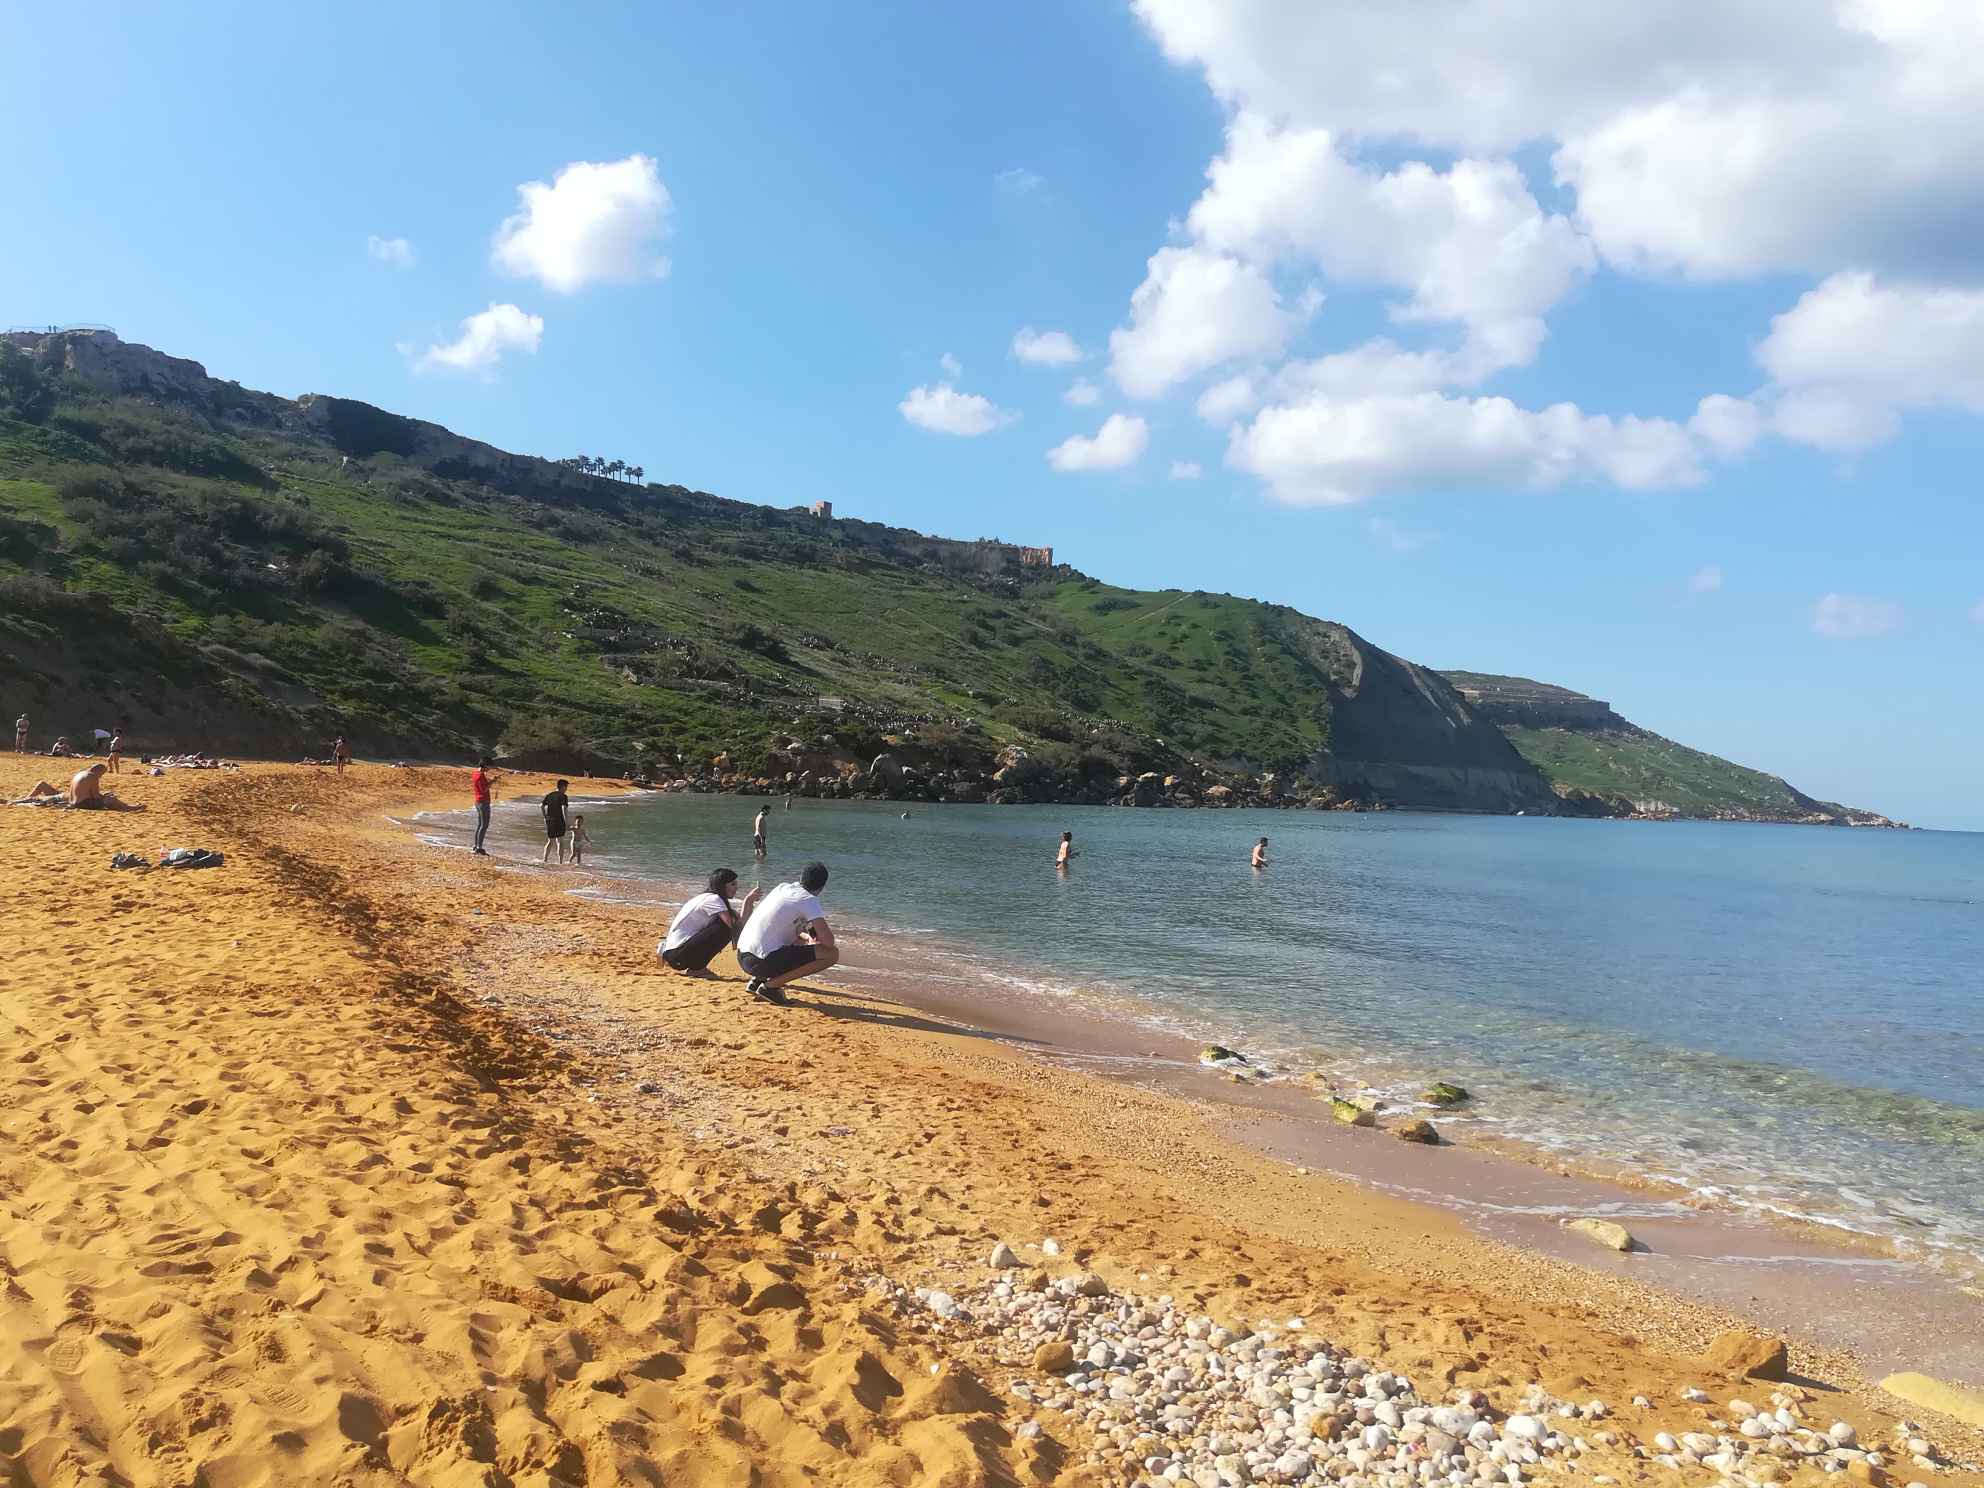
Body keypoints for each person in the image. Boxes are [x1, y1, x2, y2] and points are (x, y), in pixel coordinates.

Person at [734, 861, 837, 1005]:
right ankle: (771, 987)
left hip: (743, 955)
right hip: (760, 962)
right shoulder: (809, 899)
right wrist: (813, 941)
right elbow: (829, 942)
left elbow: (780, 926)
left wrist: (807, 937)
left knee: (795, 939)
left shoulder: (782, 888)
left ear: (801, 878)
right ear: (822, 886)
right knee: (831, 954)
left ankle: (758, 980)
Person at [658, 869, 762, 975]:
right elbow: (735, 927)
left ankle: (696, 966)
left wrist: (749, 902)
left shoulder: (709, 898)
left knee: (728, 922)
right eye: (732, 884)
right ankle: (697, 968)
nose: (736, 888)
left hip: (677, 953)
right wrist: (747, 900)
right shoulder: (713, 899)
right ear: (722, 885)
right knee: (725, 928)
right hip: (677, 955)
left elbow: (740, 923)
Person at [63, 763, 145, 812]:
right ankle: (130, 808)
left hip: (73, 802)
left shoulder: (80, 773)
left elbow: (87, 792)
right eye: (101, 774)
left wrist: (103, 795)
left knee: (107, 797)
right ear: (98, 771)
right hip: (83, 804)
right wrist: (106, 797)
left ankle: (128, 806)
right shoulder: (92, 776)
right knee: (111, 800)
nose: (100, 776)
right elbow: (95, 796)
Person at [470, 756, 498, 855]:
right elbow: (484, 789)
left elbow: (482, 786)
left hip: (478, 801)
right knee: (484, 825)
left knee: (480, 825)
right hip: (483, 802)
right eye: (489, 767)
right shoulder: (480, 775)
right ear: (485, 765)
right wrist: (492, 781)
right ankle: (479, 847)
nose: (490, 769)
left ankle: (476, 846)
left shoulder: (476, 773)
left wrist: (490, 781)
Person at [541, 780, 571, 863]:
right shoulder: (563, 796)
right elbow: (564, 808)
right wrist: (566, 822)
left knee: (550, 841)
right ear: (562, 787)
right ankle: (560, 862)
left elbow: (541, 806)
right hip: (559, 821)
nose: (566, 789)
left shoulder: (549, 795)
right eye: (566, 787)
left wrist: (545, 817)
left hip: (550, 821)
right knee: (560, 841)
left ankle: (545, 860)